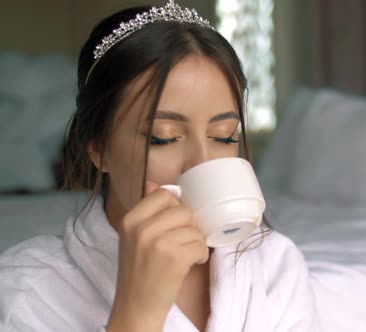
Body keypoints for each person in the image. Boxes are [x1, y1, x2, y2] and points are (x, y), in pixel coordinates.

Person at [0, 1, 320, 331]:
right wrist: (137, 312)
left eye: (224, 136)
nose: (202, 162)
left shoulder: (274, 264)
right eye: (162, 138)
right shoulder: (28, 289)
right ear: (98, 149)